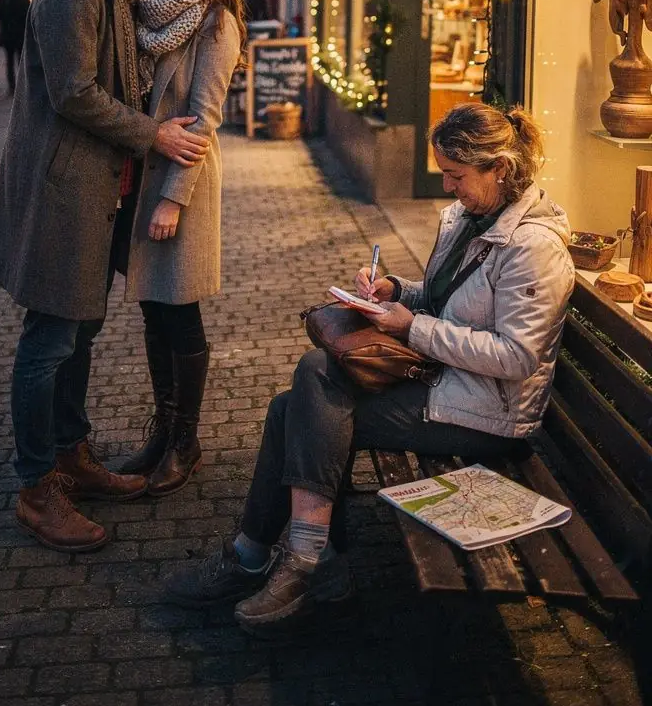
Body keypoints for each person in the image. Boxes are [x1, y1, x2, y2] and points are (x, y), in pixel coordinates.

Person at [164, 102, 574, 633]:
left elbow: (516, 356)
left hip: (490, 415)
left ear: (499, 168)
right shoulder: (471, 217)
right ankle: (294, 561)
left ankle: (288, 561)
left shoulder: (533, 247)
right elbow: (449, 298)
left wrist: (412, 328)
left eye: (456, 175)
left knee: (306, 398)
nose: (448, 187)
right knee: (302, 401)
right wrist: (396, 291)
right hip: (448, 384)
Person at [0, 0, 212, 554]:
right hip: (64, 190)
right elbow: (74, 92)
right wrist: (154, 134)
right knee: (48, 340)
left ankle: (70, 454)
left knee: (78, 333)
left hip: (95, 192)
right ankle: (36, 488)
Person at [117, 0, 246, 496]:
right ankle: (163, 430)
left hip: (180, 180)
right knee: (153, 307)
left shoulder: (217, 21)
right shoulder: (150, 8)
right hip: (143, 173)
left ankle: (186, 443)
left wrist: (172, 200)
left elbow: (205, 117)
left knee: (179, 310)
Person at [0, 0, 30, 94]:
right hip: (20, 36)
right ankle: (20, 86)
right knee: (20, 62)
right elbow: (28, 16)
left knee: (10, 61)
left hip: (8, 36)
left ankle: (12, 86)